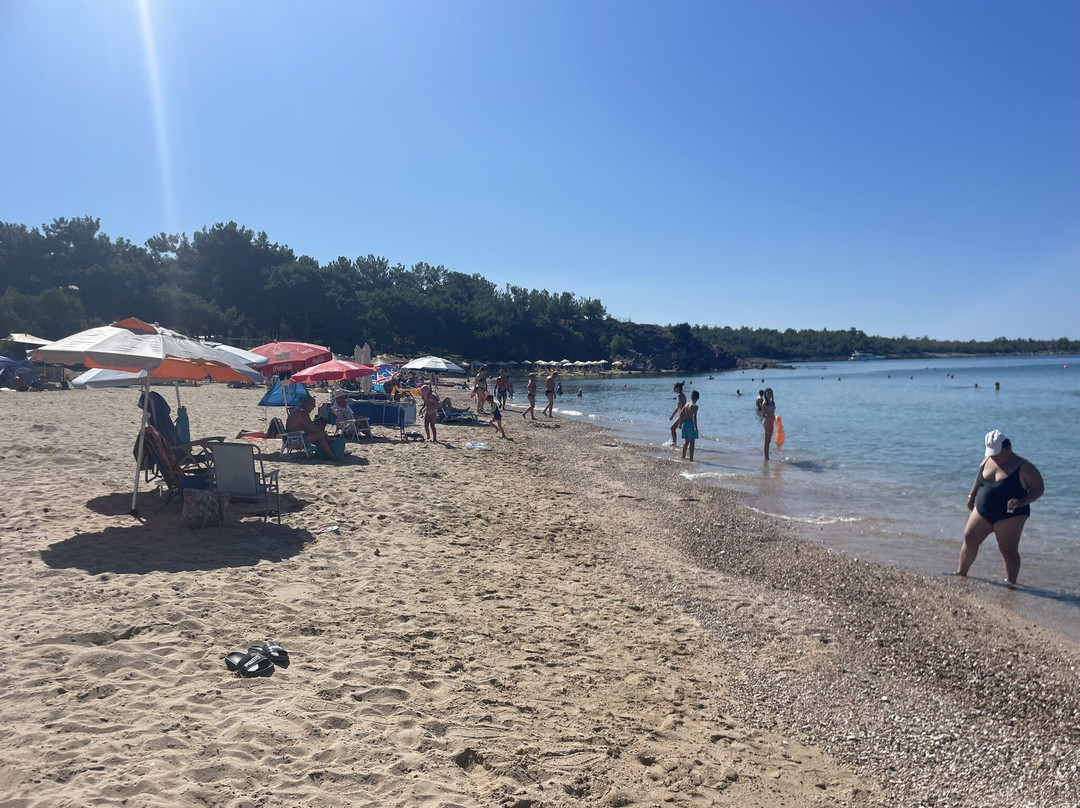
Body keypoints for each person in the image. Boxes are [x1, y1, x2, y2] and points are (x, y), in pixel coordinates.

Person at [957, 430, 1045, 584]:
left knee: (1008, 550)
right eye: (991, 453)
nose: (994, 457)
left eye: (997, 453)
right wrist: (971, 496)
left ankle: (1011, 585)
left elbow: (1039, 488)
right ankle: (961, 574)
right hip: (983, 510)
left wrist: (1022, 502)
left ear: (1008, 448)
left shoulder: (1024, 467)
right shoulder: (987, 460)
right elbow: (978, 479)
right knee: (969, 537)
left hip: (1010, 515)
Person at [286, 396, 344, 461]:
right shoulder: (302, 413)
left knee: (320, 433)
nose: (314, 407)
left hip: (294, 437)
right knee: (319, 435)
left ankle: (334, 452)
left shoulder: (298, 410)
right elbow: (312, 428)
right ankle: (332, 455)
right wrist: (325, 435)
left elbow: (309, 426)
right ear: (307, 404)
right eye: (313, 405)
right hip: (295, 439)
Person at [680, 390, 700, 461]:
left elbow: (681, 414)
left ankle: (683, 456)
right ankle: (691, 459)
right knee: (692, 442)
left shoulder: (686, 404)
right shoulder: (695, 406)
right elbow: (694, 416)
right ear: (698, 398)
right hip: (691, 424)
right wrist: (695, 427)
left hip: (685, 423)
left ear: (691, 397)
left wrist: (680, 424)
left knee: (686, 442)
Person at [761, 388, 776, 460]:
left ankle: (767, 457)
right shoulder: (764, 403)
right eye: (768, 393)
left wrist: (775, 417)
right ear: (765, 394)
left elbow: (773, 412)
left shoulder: (772, 403)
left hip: (772, 422)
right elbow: (763, 415)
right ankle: (766, 457)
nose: (769, 394)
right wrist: (770, 417)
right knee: (766, 440)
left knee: (769, 440)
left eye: (770, 393)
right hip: (767, 422)